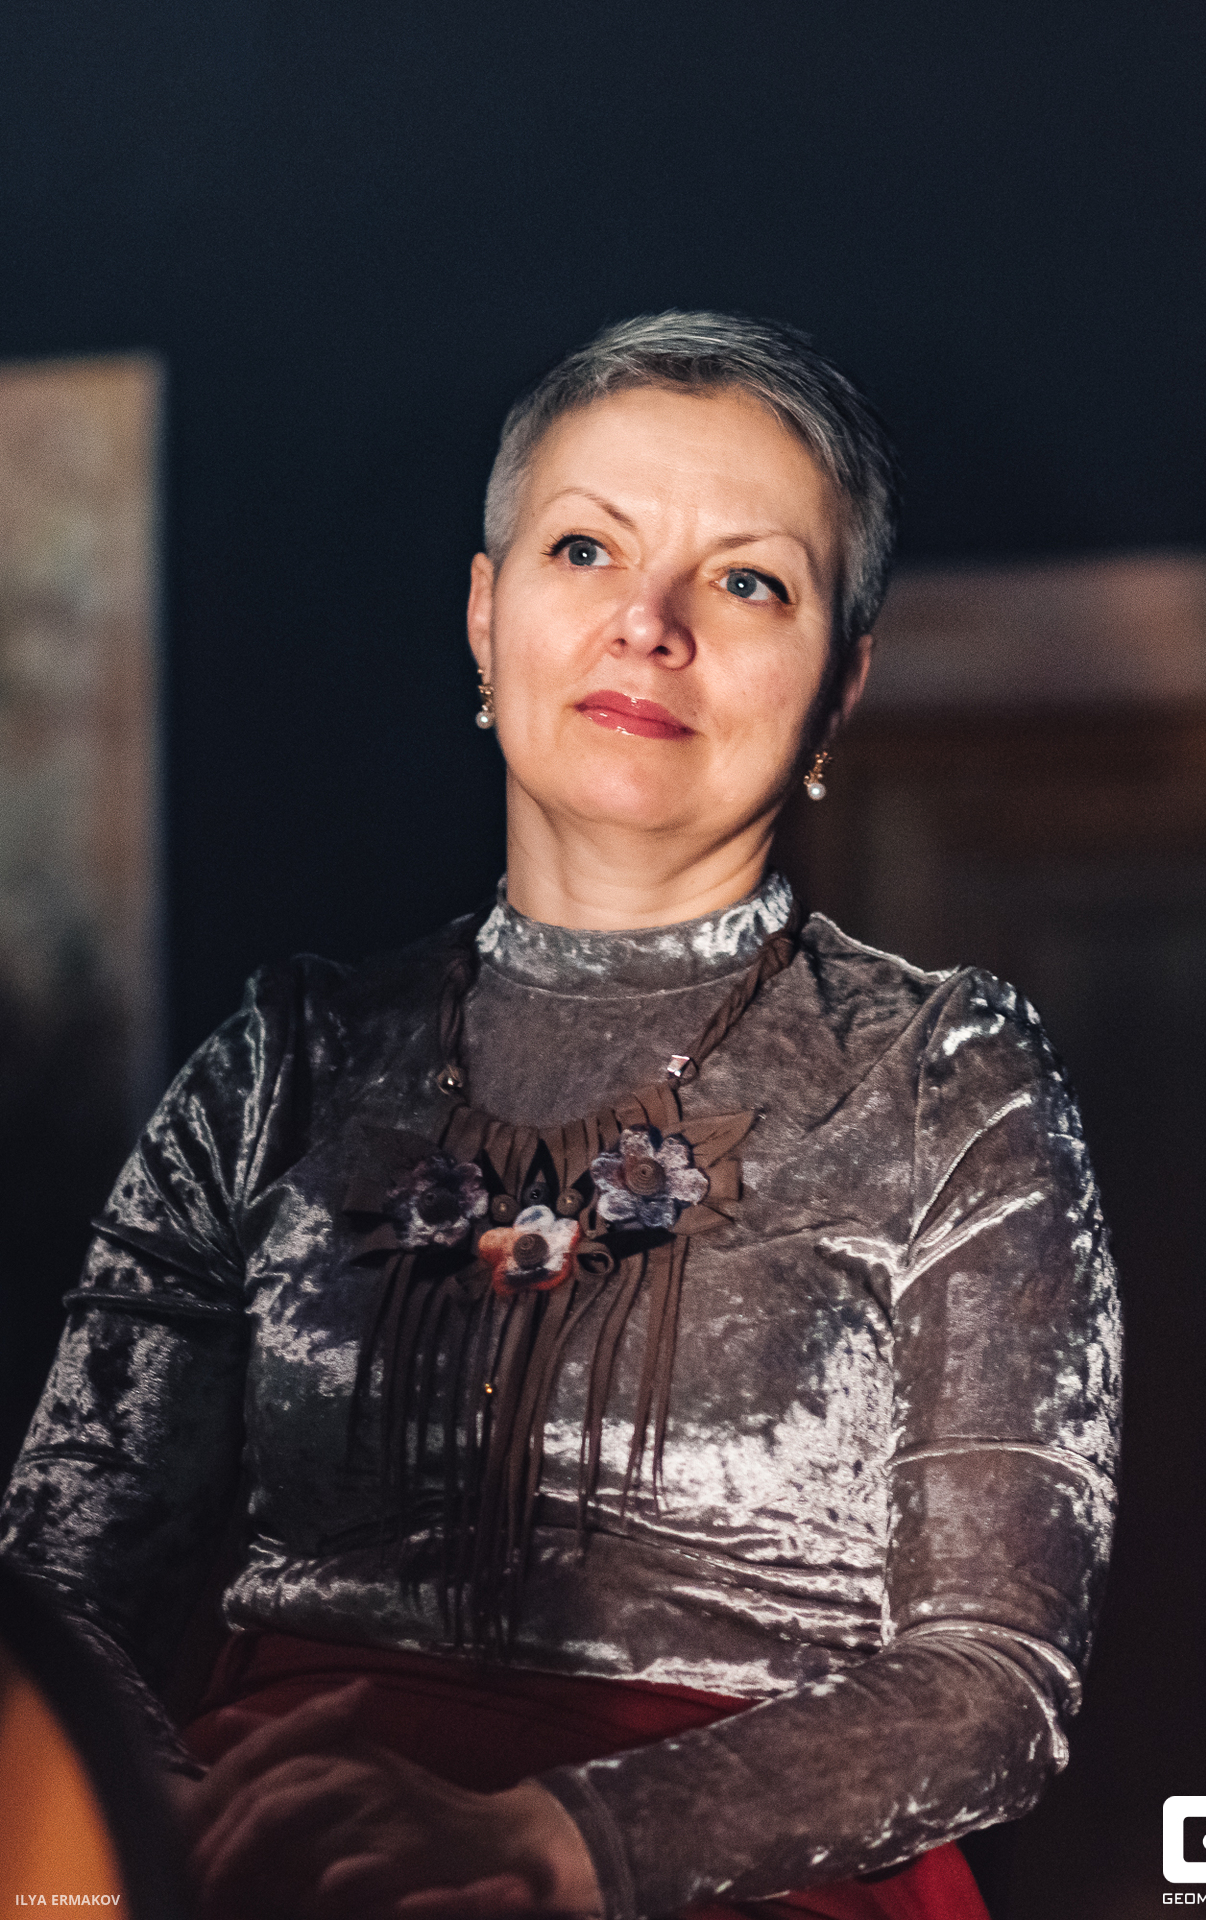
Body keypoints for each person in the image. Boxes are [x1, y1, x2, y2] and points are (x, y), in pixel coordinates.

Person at [0, 312, 1121, 1920]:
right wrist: (167, 1831)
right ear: (483, 613)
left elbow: (996, 1681)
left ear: (841, 686)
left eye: (748, 582)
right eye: (585, 549)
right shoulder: (284, 1062)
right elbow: (55, 1602)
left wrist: (548, 1841)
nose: (646, 628)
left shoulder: (945, 1076)